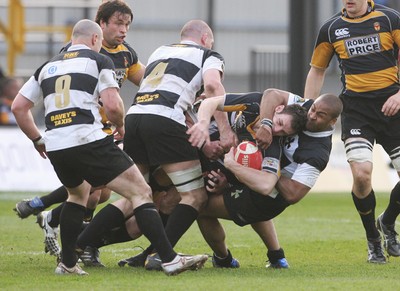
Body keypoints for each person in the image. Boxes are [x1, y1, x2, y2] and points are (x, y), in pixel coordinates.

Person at [11, 19, 208, 276]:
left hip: (56, 143)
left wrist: (37, 139)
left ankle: (68, 264)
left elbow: (18, 107)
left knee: (77, 196)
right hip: (87, 139)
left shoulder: (47, 66)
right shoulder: (99, 60)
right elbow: (113, 105)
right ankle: (169, 259)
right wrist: (121, 126)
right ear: (96, 39)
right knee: (140, 191)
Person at [74, 92, 308, 270]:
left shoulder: (270, 144)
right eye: (277, 123)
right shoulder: (251, 104)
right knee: (144, 197)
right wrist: (207, 129)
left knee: (159, 206)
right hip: (179, 144)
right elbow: (211, 101)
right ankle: (87, 241)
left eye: (282, 132)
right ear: (277, 110)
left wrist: (227, 179)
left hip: (193, 154)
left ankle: (93, 243)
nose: (275, 131)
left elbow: (257, 180)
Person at [13, 0, 146, 264]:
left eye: (127, 25)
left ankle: (51, 216)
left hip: (101, 131)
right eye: (118, 23)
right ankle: (81, 243)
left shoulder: (126, 54)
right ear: (101, 25)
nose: (124, 30)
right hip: (84, 131)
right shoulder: (77, 52)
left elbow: (145, 80)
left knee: (99, 192)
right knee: (98, 189)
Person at [190, 89, 342, 269]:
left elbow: (293, 194)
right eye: (314, 108)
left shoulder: (317, 153)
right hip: (257, 175)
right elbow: (271, 94)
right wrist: (267, 124)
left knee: (200, 206)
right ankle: (277, 256)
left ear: (332, 122)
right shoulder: (304, 108)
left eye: (320, 115)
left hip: (271, 196)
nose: (312, 115)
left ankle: (223, 260)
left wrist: (268, 168)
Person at [122, 19, 236, 259]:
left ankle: (83, 244)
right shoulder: (209, 54)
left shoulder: (159, 52)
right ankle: (163, 256)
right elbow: (214, 87)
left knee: (137, 193)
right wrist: (225, 131)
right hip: (163, 121)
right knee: (195, 195)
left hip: (133, 118)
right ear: (205, 39)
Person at [303, 0, 400, 264]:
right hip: (357, 111)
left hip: (393, 107)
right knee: (361, 176)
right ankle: (373, 241)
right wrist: (306, 110)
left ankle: (387, 221)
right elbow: (317, 70)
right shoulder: (332, 28)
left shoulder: (391, 19)